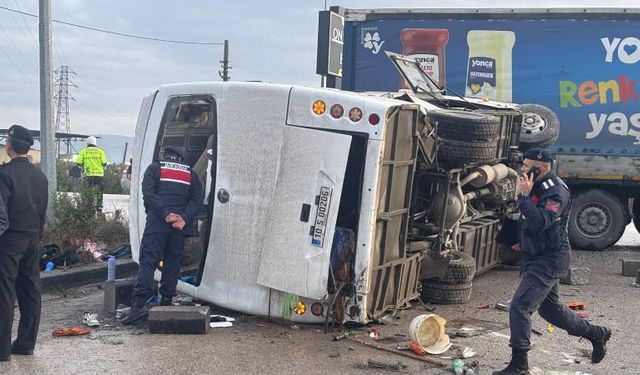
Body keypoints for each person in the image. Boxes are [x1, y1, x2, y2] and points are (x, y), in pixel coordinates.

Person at [493, 148, 611, 375]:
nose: (522, 170)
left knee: (520, 306)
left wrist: (523, 197)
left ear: (541, 167)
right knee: (550, 310)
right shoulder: (534, 185)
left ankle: (519, 365)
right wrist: (519, 239)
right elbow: (527, 219)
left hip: (550, 258)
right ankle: (596, 333)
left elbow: (541, 221)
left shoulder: (556, 191)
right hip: (535, 254)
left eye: (527, 166)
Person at [122, 146, 203, 324]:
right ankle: (166, 302)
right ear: (181, 159)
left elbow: (148, 195)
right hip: (178, 227)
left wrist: (164, 213)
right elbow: (197, 200)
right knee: (172, 264)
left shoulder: (155, 168)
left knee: (148, 263)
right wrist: (183, 217)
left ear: (165, 156)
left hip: (157, 224)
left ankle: (138, 306)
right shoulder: (191, 173)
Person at [0, 125, 48, 362]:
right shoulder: (40, 176)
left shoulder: (4, 174)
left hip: (9, 239)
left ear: (9, 146)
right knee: (30, 291)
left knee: (4, 292)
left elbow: (1, 214)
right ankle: (25, 344)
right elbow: (42, 212)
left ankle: (1, 351)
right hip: (32, 238)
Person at [76, 136, 107, 211]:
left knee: (88, 191)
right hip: (99, 175)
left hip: (88, 175)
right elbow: (104, 163)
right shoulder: (100, 151)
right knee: (99, 191)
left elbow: (78, 162)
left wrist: (82, 167)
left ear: (87, 143)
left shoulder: (84, 151)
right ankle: (99, 206)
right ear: (95, 143)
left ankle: (88, 205)